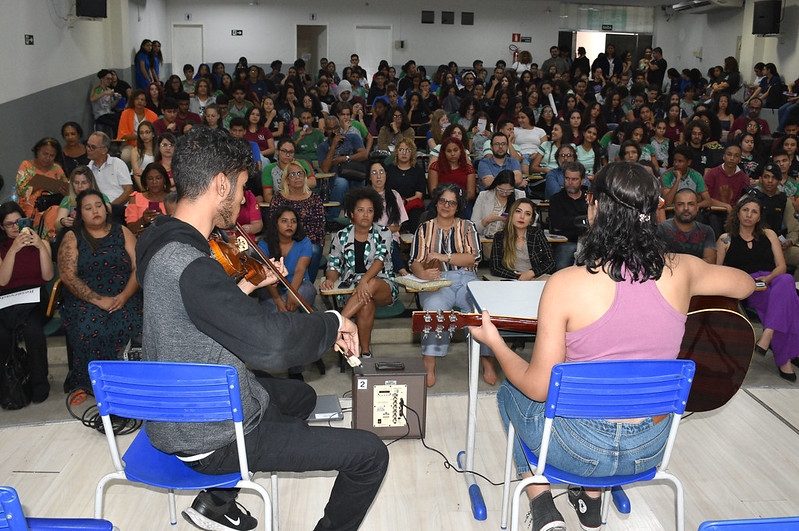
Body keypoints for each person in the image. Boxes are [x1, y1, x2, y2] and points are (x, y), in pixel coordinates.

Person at [469, 162, 754, 531]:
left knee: (511, 390)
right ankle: (591, 498)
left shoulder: (565, 283)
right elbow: (746, 284)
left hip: (579, 450)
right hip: (650, 448)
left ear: (595, 209)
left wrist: (494, 340)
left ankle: (541, 502)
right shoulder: (683, 269)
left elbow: (538, 387)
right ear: (653, 213)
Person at [134, 126, 387, 531]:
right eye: (239, 187)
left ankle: (219, 502)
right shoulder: (192, 266)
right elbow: (271, 347)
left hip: (181, 408)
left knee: (300, 396)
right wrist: (334, 320)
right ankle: (236, 475)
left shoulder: (158, 244)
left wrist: (248, 285)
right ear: (219, 185)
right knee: (370, 454)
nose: (242, 198)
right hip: (211, 436)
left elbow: (196, 314)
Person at [58, 190, 142, 395]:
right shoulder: (72, 237)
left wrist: (123, 296)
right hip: (87, 296)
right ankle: (89, 384)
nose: (95, 210)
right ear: (79, 214)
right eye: (88, 208)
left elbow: (138, 267)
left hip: (124, 293)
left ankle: (131, 383)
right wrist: (98, 300)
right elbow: (68, 276)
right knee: (90, 326)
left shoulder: (122, 232)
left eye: (98, 205)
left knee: (132, 321)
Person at [408, 183, 483, 387]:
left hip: (466, 278)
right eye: (443, 201)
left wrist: (443, 256)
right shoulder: (425, 228)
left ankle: (487, 358)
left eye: (452, 202)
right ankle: (430, 359)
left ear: (458, 206)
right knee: (434, 308)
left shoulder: (468, 227)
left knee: (479, 309)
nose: (446, 206)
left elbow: (474, 258)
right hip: (436, 279)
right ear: (436, 202)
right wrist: (422, 272)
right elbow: (415, 260)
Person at [717, 196, 799, 381]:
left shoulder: (769, 234)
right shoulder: (725, 239)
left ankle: (767, 333)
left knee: (786, 280)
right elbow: (719, 271)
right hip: (747, 285)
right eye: (745, 210)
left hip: (773, 280)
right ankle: (784, 360)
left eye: (754, 212)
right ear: (738, 212)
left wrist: (769, 278)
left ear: (759, 216)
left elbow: (781, 266)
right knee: (789, 303)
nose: (749, 215)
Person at [321, 187, 397, 358]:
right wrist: (330, 280)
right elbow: (333, 265)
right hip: (353, 290)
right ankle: (364, 353)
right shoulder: (341, 235)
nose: (365, 214)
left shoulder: (384, 233)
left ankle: (334, 325)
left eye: (370, 211)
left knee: (370, 284)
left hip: (383, 283)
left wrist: (364, 280)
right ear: (352, 212)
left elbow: (379, 260)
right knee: (366, 303)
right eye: (360, 210)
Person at [0, 201, 54, 405]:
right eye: (8, 224)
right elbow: (3, 281)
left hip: (35, 297)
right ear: (2, 227)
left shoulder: (41, 243)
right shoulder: (3, 248)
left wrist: (40, 245)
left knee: (33, 330)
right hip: (7, 299)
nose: (15, 228)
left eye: (18, 222)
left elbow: (48, 276)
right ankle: (9, 383)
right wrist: (13, 250)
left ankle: (40, 384)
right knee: (2, 334)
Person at [269, 160, 325, 281]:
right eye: (293, 174)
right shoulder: (278, 198)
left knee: (313, 250)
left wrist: (300, 243)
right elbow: (274, 225)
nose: (297, 177)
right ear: (287, 180)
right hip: (283, 240)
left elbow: (318, 228)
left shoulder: (315, 198)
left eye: (300, 173)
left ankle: (306, 286)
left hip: (308, 241)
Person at [257, 205, 316, 314]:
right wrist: (278, 300)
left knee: (306, 291)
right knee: (279, 307)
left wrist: (293, 293)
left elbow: (300, 270)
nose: (290, 225)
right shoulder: (264, 244)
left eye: (293, 221)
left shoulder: (304, 242)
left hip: (298, 285)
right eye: (284, 221)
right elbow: (265, 274)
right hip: (272, 288)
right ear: (276, 224)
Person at [745, 163, 799, 279]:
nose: (770, 181)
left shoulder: (784, 200)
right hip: (753, 245)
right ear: (760, 179)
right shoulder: (750, 198)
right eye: (766, 177)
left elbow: (794, 228)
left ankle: (793, 291)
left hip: (779, 247)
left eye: (774, 178)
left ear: (779, 181)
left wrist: (789, 241)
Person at [489, 198, 555, 280]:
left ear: (531, 219)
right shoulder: (500, 236)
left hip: (536, 277)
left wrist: (532, 273)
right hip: (510, 278)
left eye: (527, 214)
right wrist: (520, 277)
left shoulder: (536, 233)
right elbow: (495, 268)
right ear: (511, 214)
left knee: (550, 281)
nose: (522, 216)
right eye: (518, 211)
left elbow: (550, 262)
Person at [367, 161, 409, 275]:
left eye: (381, 172)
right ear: (369, 177)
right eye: (374, 173)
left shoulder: (394, 195)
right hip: (367, 237)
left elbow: (397, 226)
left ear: (386, 175)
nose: (378, 176)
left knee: (387, 241)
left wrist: (381, 232)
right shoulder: (363, 196)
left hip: (390, 236)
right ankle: (402, 271)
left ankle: (402, 272)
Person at [15, 137, 68, 224]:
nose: (47, 158)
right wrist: (39, 183)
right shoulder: (26, 165)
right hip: (29, 213)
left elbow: (67, 191)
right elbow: (21, 191)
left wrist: (63, 192)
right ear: (38, 150)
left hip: (51, 213)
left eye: (51, 156)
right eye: (45, 154)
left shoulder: (57, 168)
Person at [86, 131, 133, 224]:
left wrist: (110, 207)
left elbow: (128, 191)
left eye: (93, 147)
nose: (88, 149)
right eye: (88, 146)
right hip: (96, 210)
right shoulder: (87, 170)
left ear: (104, 150)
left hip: (118, 209)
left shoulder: (117, 163)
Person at [548, 162, 588, 270]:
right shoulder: (556, 199)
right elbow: (557, 224)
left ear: (583, 180)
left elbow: (596, 221)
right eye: (567, 178)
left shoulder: (590, 197)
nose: (570, 182)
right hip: (566, 242)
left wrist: (570, 222)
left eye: (574, 179)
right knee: (564, 260)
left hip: (590, 241)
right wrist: (584, 220)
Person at [659, 188, 717, 263]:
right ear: (674, 208)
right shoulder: (661, 229)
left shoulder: (707, 231)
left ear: (697, 208)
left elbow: (710, 262)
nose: (686, 208)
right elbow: (659, 261)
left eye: (691, 204)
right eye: (680, 204)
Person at [386, 136, 426, 232]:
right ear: (396, 152)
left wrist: (404, 202)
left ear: (412, 153)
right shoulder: (389, 169)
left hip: (411, 204)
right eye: (401, 150)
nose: (404, 153)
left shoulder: (418, 171)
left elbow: (418, 196)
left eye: (408, 150)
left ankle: (413, 242)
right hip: (392, 203)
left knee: (416, 215)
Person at [471, 169, 526, 238]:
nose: (504, 194)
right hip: (487, 239)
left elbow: (527, 223)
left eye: (509, 191)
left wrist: (511, 222)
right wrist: (487, 220)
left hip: (510, 240)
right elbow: (473, 227)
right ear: (496, 185)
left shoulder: (520, 195)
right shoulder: (484, 196)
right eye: (501, 190)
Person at [54, 166, 110, 233]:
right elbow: (56, 225)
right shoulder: (67, 200)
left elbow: (109, 219)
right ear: (72, 184)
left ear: (91, 183)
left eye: (84, 183)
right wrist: (62, 222)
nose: (80, 186)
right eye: (76, 183)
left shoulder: (102, 198)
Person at [126, 162, 169, 236]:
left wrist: (163, 219)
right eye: (150, 179)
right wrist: (143, 220)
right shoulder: (135, 198)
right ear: (145, 181)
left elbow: (179, 226)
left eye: (158, 178)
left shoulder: (173, 199)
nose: (154, 182)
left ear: (164, 179)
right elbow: (130, 229)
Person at [116, 89, 158, 163]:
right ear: (133, 101)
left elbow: (155, 134)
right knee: (125, 156)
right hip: (130, 144)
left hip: (149, 145)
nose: (139, 101)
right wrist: (140, 137)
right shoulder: (125, 113)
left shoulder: (153, 115)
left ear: (145, 103)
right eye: (137, 99)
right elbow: (123, 134)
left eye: (142, 99)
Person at [130, 120, 156, 190]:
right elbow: (136, 173)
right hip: (139, 183)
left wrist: (144, 172)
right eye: (141, 133)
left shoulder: (159, 149)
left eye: (147, 132)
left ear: (153, 134)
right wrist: (143, 189)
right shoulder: (135, 151)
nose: (144, 135)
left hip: (156, 180)